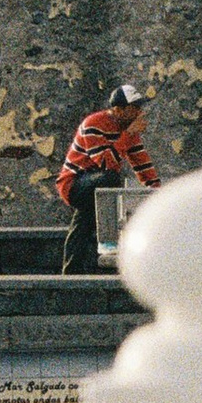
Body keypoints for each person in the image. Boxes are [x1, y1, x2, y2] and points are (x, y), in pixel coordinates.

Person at [56, 81, 159, 275]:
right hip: (74, 184)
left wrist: (156, 190)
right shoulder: (94, 124)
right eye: (134, 108)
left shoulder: (128, 132)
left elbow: (141, 164)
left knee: (83, 222)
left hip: (96, 184)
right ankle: (109, 241)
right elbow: (105, 163)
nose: (139, 112)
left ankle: (71, 272)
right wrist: (128, 134)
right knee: (110, 178)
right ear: (118, 109)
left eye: (140, 107)